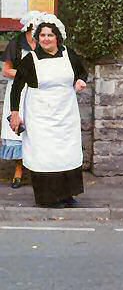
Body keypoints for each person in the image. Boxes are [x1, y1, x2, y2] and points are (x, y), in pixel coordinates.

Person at [10, 14, 87, 208]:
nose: (45, 39)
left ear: (57, 37)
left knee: (66, 152)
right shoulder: (31, 60)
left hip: (66, 112)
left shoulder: (69, 54)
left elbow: (82, 71)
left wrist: (80, 81)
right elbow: (17, 86)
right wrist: (15, 113)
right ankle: (48, 197)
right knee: (46, 155)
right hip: (40, 114)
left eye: (49, 35)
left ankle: (68, 194)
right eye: (42, 35)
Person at [1, 11, 39, 188]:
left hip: (38, 91)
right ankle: (18, 170)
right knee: (19, 128)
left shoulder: (44, 44)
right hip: (19, 90)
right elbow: (6, 70)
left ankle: (41, 170)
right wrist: (24, 74)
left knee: (37, 128)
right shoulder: (16, 43)